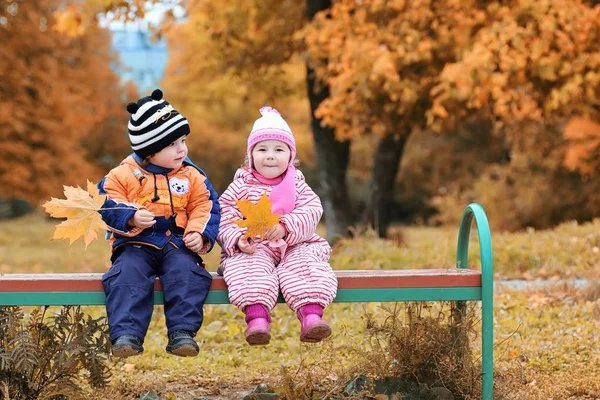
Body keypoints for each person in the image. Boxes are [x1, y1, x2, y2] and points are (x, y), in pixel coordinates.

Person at [97, 89, 220, 358]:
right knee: (127, 275)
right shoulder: (123, 174)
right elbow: (106, 201)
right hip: (135, 244)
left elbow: (206, 205)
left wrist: (199, 233)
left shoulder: (192, 175)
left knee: (187, 272)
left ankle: (182, 333)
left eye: (183, 141)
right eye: (172, 144)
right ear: (150, 151)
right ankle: (126, 335)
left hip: (177, 243)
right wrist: (129, 215)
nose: (182, 149)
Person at [217, 106, 338, 346]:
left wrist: (286, 226)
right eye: (262, 149)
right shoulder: (241, 186)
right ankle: (257, 319)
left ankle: (311, 316)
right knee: (247, 267)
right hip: (255, 245)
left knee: (306, 264)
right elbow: (224, 214)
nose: (270, 155)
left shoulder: (298, 185)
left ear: (290, 156)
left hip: (293, 243)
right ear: (251, 156)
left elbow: (312, 210)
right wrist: (239, 238)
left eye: (278, 149)